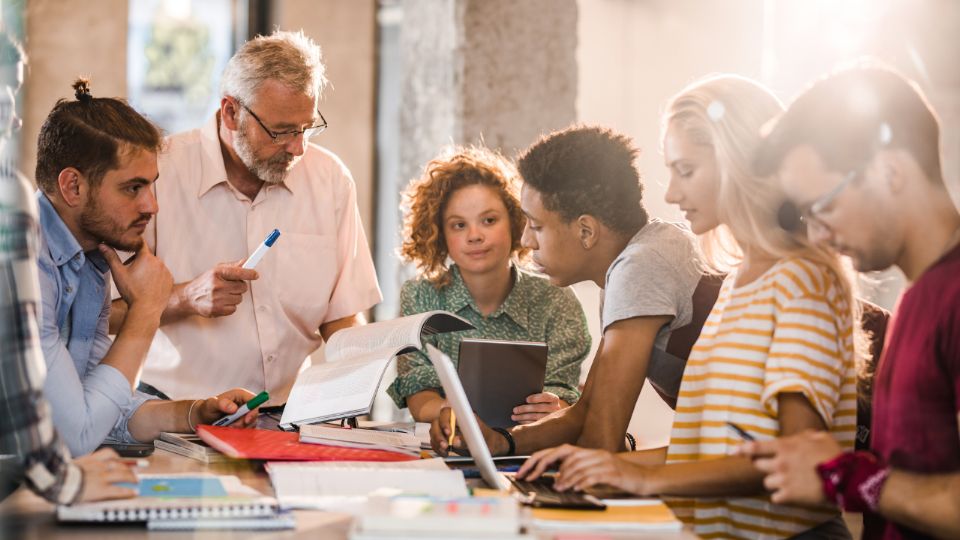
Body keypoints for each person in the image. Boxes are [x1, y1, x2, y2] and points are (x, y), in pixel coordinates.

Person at [518, 76, 861, 540]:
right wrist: (606, 465)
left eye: (686, 170)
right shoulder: (739, 282)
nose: (673, 194)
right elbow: (710, 449)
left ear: (738, 162)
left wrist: (639, 476)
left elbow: (792, 457)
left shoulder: (801, 281)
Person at [740, 65, 960, 540]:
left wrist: (849, 477)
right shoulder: (919, 295)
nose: (816, 233)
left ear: (890, 171)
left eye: (824, 206)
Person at [110, 30, 382, 403]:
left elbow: (342, 316)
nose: (297, 147)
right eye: (281, 131)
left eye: (306, 128)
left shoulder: (331, 180)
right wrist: (186, 298)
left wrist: (365, 376)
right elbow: (101, 316)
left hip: (287, 415)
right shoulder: (159, 176)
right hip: (172, 413)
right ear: (231, 112)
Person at [432, 125, 703, 456]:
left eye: (537, 227)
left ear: (586, 231)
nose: (527, 241)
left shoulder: (639, 267)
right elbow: (585, 412)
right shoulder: (635, 258)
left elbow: (601, 443)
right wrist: (503, 441)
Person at [36, 79, 259, 457]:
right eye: (132, 188)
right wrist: (146, 310)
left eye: (152, 186)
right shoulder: (26, 265)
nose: (151, 207)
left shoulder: (91, 258)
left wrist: (195, 413)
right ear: (72, 186)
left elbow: (102, 403)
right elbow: (78, 433)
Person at [1, 30, 137, 506]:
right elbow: (65, 431)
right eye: (5, 96)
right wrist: (147, 315)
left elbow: (81, 398)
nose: (15, 117)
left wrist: (186, 414)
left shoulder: (95, 263)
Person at [386, 146, 591, 424]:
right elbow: (419, 396)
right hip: (444, 447)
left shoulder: (557, 300)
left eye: (489, 220)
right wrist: (457, 417)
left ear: (517, 221)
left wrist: (557, 406)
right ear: (440, 234)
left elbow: (563, 393)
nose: (474, 236)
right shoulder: (420, 296)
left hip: (532, 446)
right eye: (458, 225)